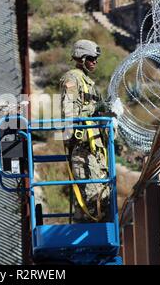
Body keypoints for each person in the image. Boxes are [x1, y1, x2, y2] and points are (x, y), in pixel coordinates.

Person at [60, 39, 111, 223]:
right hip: (83, 148)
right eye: (91, 59)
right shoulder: (72, 79)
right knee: (91, 200)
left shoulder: (88, 82)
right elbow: (70, 114)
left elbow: (94, 109)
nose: (94, 63)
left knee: (102, 197)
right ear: (81, 58)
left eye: (96, 59)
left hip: (94, 149)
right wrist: (93, 112)